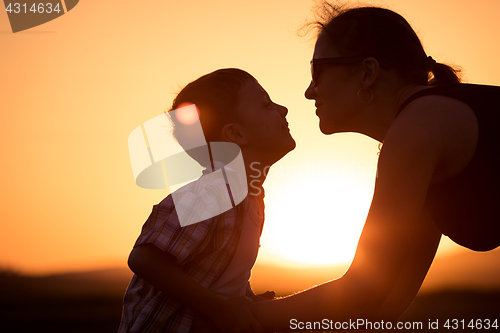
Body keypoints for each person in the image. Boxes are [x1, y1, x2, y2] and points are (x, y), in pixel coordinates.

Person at [248, 3, 500, 331]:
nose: (309, 91)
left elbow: (361, 291)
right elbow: (385, 302)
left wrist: (236, 314)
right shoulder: (421, 131)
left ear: (368, 72)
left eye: (316, 71)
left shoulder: (418, 128)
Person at [118, 68, 296, 333]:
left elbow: (216, 267)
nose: (283, 109)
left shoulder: (249, 198)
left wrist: (244, 298)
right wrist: (221, 310)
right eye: (266, 103)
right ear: (236, 135)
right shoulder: (214, 192)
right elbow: (145, 258)